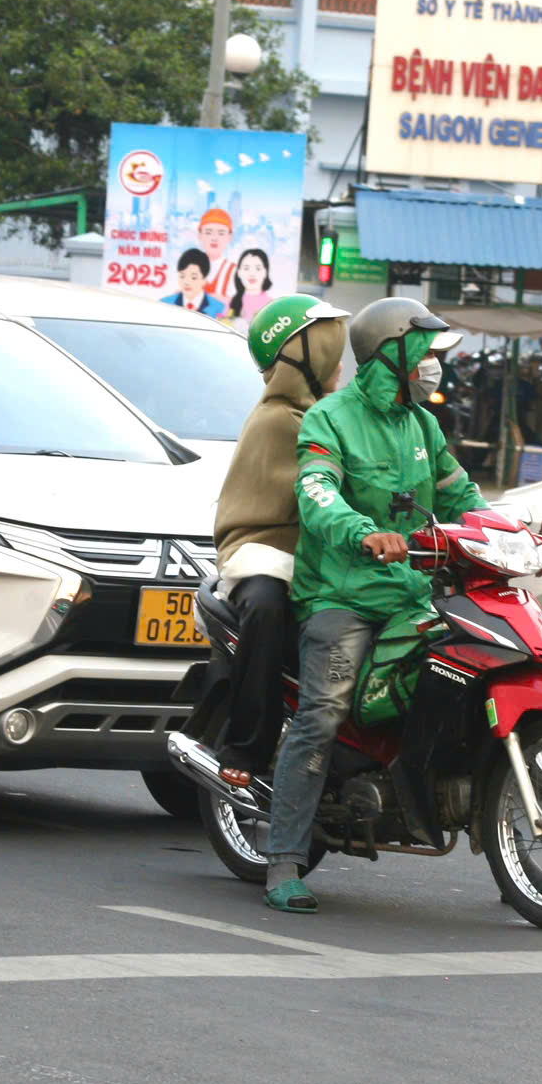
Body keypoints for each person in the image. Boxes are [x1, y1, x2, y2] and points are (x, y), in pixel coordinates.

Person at [262, 297, 486, 913]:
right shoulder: (328, 420)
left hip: (413, 591)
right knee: (323, 713)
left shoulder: (423, 426)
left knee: (468, 691)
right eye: (426, 353)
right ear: (392, 353)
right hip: (341, 594)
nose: (435, 366)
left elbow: (459, 493)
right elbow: (316, 494)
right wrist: (363, 531)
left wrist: (502, 529)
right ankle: (283, 858)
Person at [211, 295, 352, 784]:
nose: (339, 367)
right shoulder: (279, 419)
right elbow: (321, 494)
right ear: (305, 360)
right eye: (329, 355)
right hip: (263, 553)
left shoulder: (329, 418)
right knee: (268, 608)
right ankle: (246, 747)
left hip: (320, 557)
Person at [161, 247, 227, 319]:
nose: (186, 282)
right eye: (182, 276)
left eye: (193, 278)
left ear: (204, 279)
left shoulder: (219, 308)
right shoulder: (164, 304)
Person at [229, 246, 278, 325]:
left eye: (258, 268)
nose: (252, 274)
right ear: (239, 272)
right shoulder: (230, 302)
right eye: (246, 268)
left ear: (266, 272)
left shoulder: (272, 305)